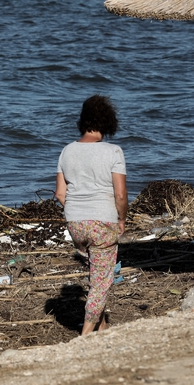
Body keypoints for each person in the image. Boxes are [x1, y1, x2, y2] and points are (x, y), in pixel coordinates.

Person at [55, 95, 128, 336]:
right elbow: (120, 194)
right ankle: (85, 335)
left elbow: (59, 193)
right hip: (102, 221)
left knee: (97, 271)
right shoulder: (113, 151)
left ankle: (102, 325)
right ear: (108, 122)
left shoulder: (67, 151)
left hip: (75, 222)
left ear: (82, 121)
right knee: (102, 279)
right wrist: (121, 219)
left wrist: (77, 211)